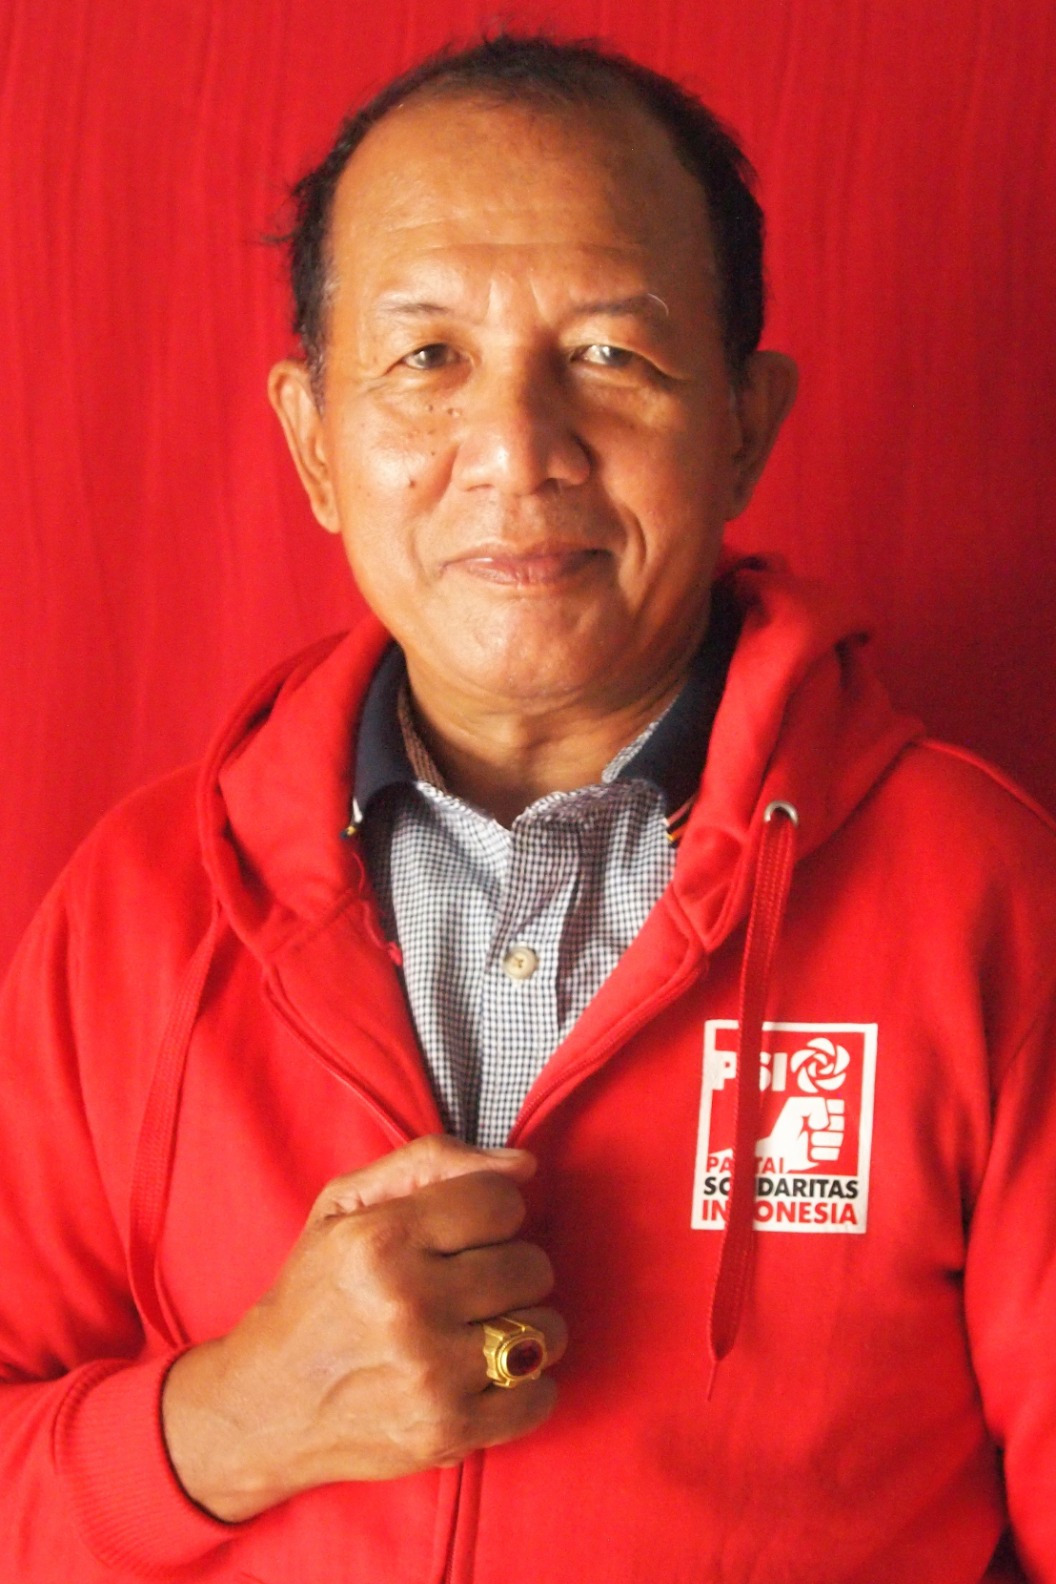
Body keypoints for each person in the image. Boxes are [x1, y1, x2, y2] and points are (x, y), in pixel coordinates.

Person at [0, 32, 1054, 1584]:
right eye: (427, 359)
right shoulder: (136, 908)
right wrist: (234, 1422)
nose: (516, 451)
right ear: (313, 441)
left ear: (746, 424)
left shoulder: (983, 898)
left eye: (611, 356)